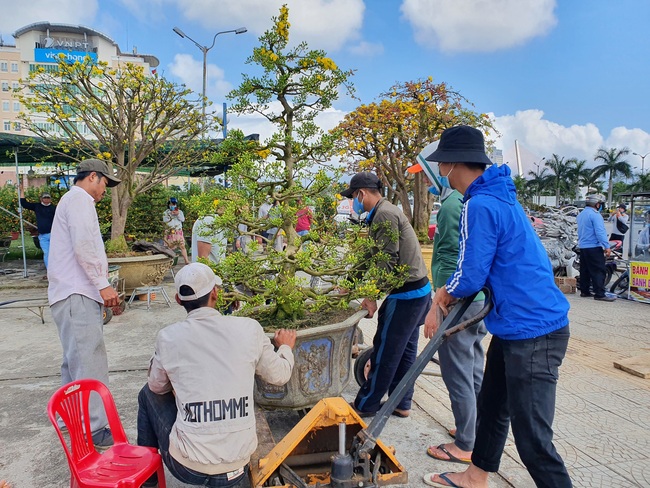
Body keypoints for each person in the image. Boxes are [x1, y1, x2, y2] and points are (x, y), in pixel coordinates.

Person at [421, 126, 572, 488]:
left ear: (450, 164)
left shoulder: (481, 204)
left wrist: (444, 293)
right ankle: (475, 476)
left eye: (441, 164)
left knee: (533, 438)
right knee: (492, 407)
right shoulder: (497, 196)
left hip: (535, 331)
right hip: (514, 327)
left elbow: (471, 274)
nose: (441, 171)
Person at [136, 263, 296, 487]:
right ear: (215, 293)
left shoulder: (168, 337)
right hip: (236, 464)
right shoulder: (249, 329)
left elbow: (156, 387)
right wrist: (285, 347)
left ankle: (146, 479)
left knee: (147, 394)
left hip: (188, 468)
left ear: (178, 300)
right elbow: (280, 375)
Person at [408, 144, 487, 465]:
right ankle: (475, 428)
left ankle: (465, 443)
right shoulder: (457, 201)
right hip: (475, 301)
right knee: (474, 369)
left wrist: (438, 305)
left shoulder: (455, 204)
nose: (436, 174)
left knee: (457, 374)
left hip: (457, 301)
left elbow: (455, 258)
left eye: (439, 167)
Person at [341, 172, 431, 418]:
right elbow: (371, 254)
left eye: (353, 197)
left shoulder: (384, 215)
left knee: (386, 351)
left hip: (406, 296)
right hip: (419, 291)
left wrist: (371, 296)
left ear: (361, 193)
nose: (354, 202)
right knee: (405, 352)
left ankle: (366, 405)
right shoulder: (383, 211)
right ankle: (401, 403)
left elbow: (387, 263)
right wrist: (349, 283)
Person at [47, 158, 121, 449]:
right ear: (93, 177)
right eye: (105, 182)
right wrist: (102, 285)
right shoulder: (79, 200)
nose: (105, 190)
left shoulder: (70, 201)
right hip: (77, 292)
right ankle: (94, 427)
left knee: (75, 361)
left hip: (68, 293)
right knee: (89, 359)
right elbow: (84, 247)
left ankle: (70, 417)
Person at [576, 194, 615, 301]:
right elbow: (600, 232)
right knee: (598, 270)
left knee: (585, 270)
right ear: (597, 204)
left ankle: (585, 291)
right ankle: (599, 294)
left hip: (583, 247)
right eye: (601, 204)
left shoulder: (581, 214)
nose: (601, 206)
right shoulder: (595, 215)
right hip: (593, 247)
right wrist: (607, 246)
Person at [19, 183, 56, 273]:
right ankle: (50, 272)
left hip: (54, 235)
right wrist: (22, 190)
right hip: (43, 235)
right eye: (45, 198)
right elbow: (24, 203)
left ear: (50, 199)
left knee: (55, 254)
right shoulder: (37, 206)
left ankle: (57, 272)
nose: (46, 199)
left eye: (48, 198)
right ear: (41, 199)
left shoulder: (55, 208)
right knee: (47, 253)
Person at [163, 197, 190, 265]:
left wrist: (177, 214)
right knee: (169, 247)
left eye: (174, 204)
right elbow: (165, 220)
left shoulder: (180, 212)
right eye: (171, 204)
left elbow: (182, 219)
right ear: (169, 205)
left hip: (178, 231)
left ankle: (186, 260)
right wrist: (171, 214)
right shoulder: (166, 212)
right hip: (169, 231)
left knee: (182, 246)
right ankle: (168, 261)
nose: (172, 206)